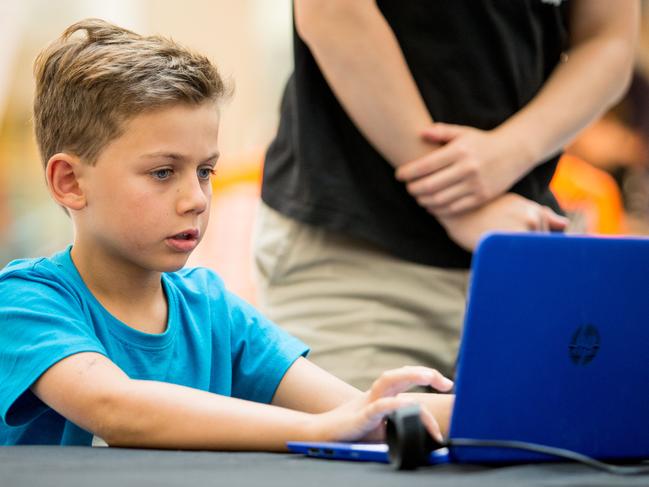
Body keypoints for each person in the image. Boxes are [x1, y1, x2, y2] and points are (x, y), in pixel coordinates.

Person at [0, 19, 454, 448]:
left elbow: (355, 409)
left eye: (204, 171)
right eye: (162, 172)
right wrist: (319, 430)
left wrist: (511, 413)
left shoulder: (211, 307)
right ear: (70, 183)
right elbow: (114, 407)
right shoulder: (26, 301)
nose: (196, 198)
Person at [254, 0, 639, 389]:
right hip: (360, 258)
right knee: (367, 437)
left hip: (517, 264)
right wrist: (460, 195)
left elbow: (608, 39)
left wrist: (511, 151)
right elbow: (331, 10)